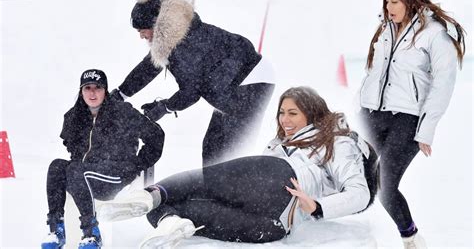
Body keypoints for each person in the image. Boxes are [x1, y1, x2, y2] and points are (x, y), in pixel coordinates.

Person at [99, 86, 378, 248]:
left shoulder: (336, 142)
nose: (284, 119)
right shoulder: (276, 146)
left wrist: (316, 206)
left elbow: (359, 193)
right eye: (281, 112)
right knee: (181, 207)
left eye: (293, 112)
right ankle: (169, 221)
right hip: (272, 226)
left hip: (283, 184)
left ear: (313, 113)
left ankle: (149, 194)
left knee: (201, 180)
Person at [109, 0, 275, 166]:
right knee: (213, 147)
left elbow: (191, 92)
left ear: (155, 25)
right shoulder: (174, 34)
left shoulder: (184, 45)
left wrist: (164, 107)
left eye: (142, 30)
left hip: (251, 80)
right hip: (232, 83)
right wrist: (121, 93)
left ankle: (233, 190)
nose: (141, 36)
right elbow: (149, 67)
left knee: (231, 150)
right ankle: (214, 190)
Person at [358, 0, 466, 248]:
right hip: (373, 114)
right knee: (353, 173)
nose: (388, 8)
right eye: (386, 2)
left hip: (407, 119)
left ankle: (411, 237)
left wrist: (426, 129)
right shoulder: (385, 31)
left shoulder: (433, 34)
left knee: (385, 184)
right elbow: (373, 76)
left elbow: (443, 85)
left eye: (394, 2)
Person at [41, 69, 165, 249]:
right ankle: (56, 230)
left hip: (114, 177)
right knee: (57, 166)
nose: (92, 93)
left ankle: (91, 234)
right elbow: (74, 152)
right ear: (81, 91)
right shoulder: (73, 117)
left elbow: (156, 136)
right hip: (84, 179)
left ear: (105, 90)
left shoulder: (122, 112)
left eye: (97, 88)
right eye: (87, 88)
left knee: (76, 170)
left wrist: (137, 165)